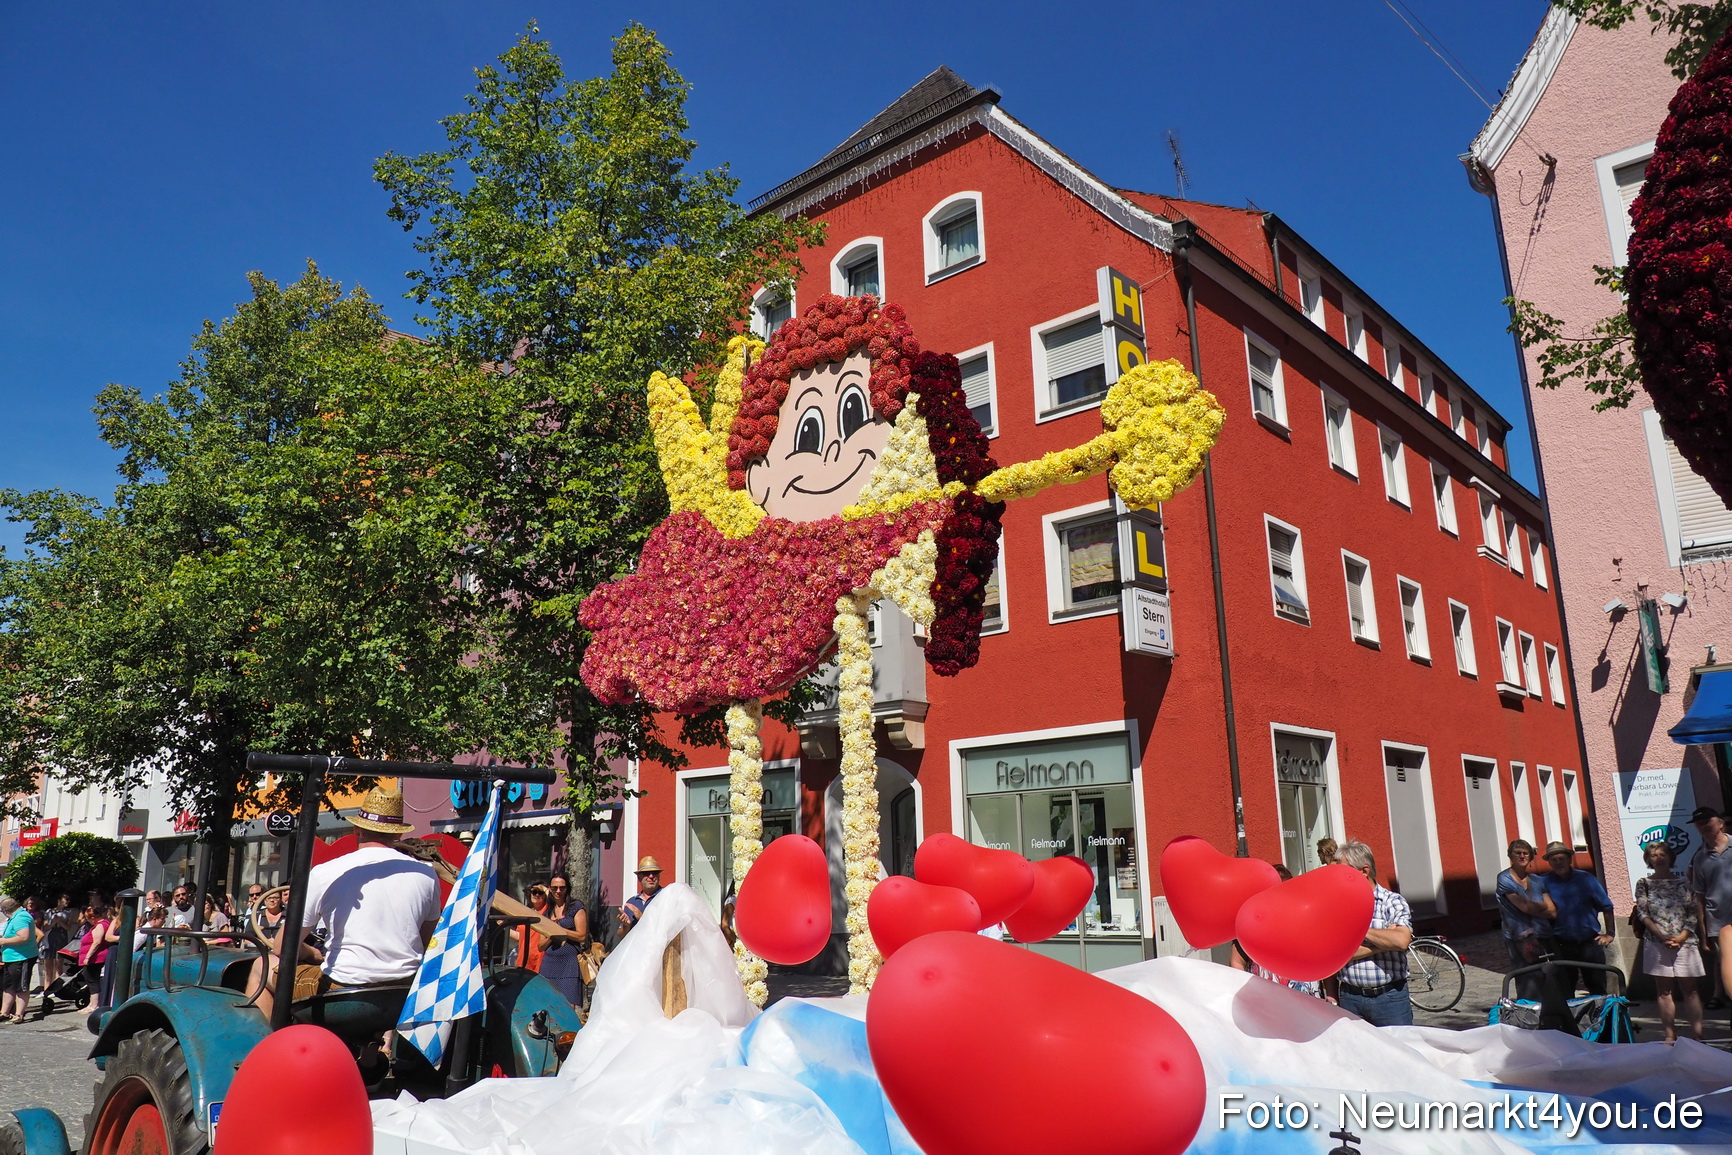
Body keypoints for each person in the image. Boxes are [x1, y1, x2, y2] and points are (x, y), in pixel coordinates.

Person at [249, 786, 439, 1027]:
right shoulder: (425, 873)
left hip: (343, 992)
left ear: (356, 829)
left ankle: (266, 1052)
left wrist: (315, 954)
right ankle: (372, 1049)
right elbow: (427, 940)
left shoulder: (325, 872)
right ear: (398, 835)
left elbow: (282, 947)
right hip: (401, 991)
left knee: (260, 966)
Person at [1332, 839, 1414, 1026]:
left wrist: (1360, 931)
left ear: (1364, 871)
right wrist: (1381, 945)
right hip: (1350, 997)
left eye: (1343, 871)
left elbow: (1401, 941)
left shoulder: (1392, 902)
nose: (1337, 877)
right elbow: (1337, 954)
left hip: (1390, 998)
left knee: (1397, 1052)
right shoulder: (1339, 906)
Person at [1636, 840, 1705, 1043]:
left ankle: (1698, 1035)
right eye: (1654, 855)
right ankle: (1669, 1035)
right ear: (1648, 860)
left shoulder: (1684, 883)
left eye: (1662, 854)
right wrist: (1661, 936)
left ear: (1670, 858)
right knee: (1664, 990)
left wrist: (1683, 935)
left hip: (1685, 942)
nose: (1658, 859)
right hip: (1657, 941)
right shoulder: (1644, 884)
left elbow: (1693, 912)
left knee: (1690, 989)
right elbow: (1642, 912)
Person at [1542, 841, 1615, 997]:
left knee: (1597, 988)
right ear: (1549, 862)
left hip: (1589, 941)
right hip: (1560, 944)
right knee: (1564, 989)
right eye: (1553, 860)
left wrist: (1610, 933)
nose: (1558, 862)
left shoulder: (1586, 879)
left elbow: (1607, 907)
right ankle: (1570, 1021)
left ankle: (1602, 1020)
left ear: (1569, 859)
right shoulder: (1544, 882)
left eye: (1561, 858)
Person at [1496, 839, 1556, 1000]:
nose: (1522, 856)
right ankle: (1529, 1017)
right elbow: (1525, 907)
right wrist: (1540, 906)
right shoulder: (1504, 879)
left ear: (1531, 857)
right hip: (1519, 938)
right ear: (1510, 856)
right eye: (1518, 853)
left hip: (1543, 934)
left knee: (1550, 979)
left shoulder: (1537, 880)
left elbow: (1553, 912)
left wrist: (1534, 907)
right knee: (1528, 981)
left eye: (1526, 853)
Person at [1690, 806, 1732, 1013]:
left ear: (1720, 823)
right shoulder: (1700, 858)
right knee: (1725, 961)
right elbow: (1699, 896)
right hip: (1718, 918)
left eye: (1707, 821)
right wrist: (1703, 929)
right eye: (1699, 823)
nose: (1703, 826)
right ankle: (1721, 995)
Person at [536, 876, 590, 1008]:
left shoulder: (576, 907)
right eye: (554, 888)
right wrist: (551, 935)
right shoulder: (547, 912)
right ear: (550, 889)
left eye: (562, 887)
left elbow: (582, 936)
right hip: (549, 964)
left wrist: (561, 930)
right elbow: (540, 946)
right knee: (547, 1005)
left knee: (568, 1005)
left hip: (569, 963)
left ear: (567, 889)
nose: (558, 891)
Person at [0, 895, 39, 1024]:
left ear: (5, 911)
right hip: (11, 958)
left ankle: (19, 1014)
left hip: (22, 957)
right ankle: (4, 1012)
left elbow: (24, 937)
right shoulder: (15, 917)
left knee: (21, 987)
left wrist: (3, 941)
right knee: (8, 987)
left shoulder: (21, 917)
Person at [618, 857, 664, 937]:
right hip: (637, 949)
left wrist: (642, 918)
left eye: (654, 873)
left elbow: (670, 930)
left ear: (659, 876)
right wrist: (626, 926)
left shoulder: (666, 896)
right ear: (639, 878)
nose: (651, 876)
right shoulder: (632, 902)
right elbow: (621, 936)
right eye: (646, 873)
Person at [513, 885, 549, 973]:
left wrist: (545, 889)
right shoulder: (525, 913)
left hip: (540, 960)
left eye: (540, 893)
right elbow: (519, 936)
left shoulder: (547, 911)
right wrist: (502, 926)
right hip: (523, 960)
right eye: (534, 892)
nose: (537, 895)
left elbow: (554, 900)